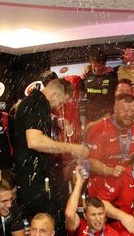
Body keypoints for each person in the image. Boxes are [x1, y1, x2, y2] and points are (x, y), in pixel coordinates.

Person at [12, 78, 89, 225]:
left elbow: (31, 122)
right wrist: (72, 148)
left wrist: (56, 120)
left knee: (39, 224)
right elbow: (35, 141)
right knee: (46, 223)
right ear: (54, 94)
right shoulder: (39, 103)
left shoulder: (33, 100)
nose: (60, 106)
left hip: (28, 176)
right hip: (32, 179)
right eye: (61, 102)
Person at [86, 93, 134, 177]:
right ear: (115, 109)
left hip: (129, 179)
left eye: (132, 111)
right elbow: (90, 161)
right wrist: (109, 171)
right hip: (103, 180)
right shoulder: (99, 128)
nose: (129, 114)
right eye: (125, 111)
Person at [80, 48, 117, 125]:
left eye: (99, 66)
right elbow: (81, 93)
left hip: (107, 116)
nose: (96, 69)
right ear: (91, 64)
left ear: (104, 64)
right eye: (94, 66)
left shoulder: (111, 75)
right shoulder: (86, 75)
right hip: (90, 117)